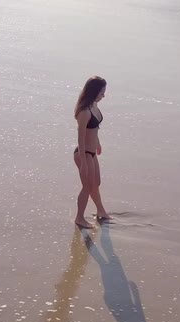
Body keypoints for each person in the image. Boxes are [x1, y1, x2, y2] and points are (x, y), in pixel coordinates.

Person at [73, 76, 112, 229]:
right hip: (83, 153)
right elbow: (81, 138)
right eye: (102, 92)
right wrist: (83, 162)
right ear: (94, 92)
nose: (103, 95)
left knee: (96, 184)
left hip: (92, 152)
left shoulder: (94, 106)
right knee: (87, 186)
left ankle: (101, 211)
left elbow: (94, 131)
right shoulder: (84, 112)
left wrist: (98, 143)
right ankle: (79, 218)